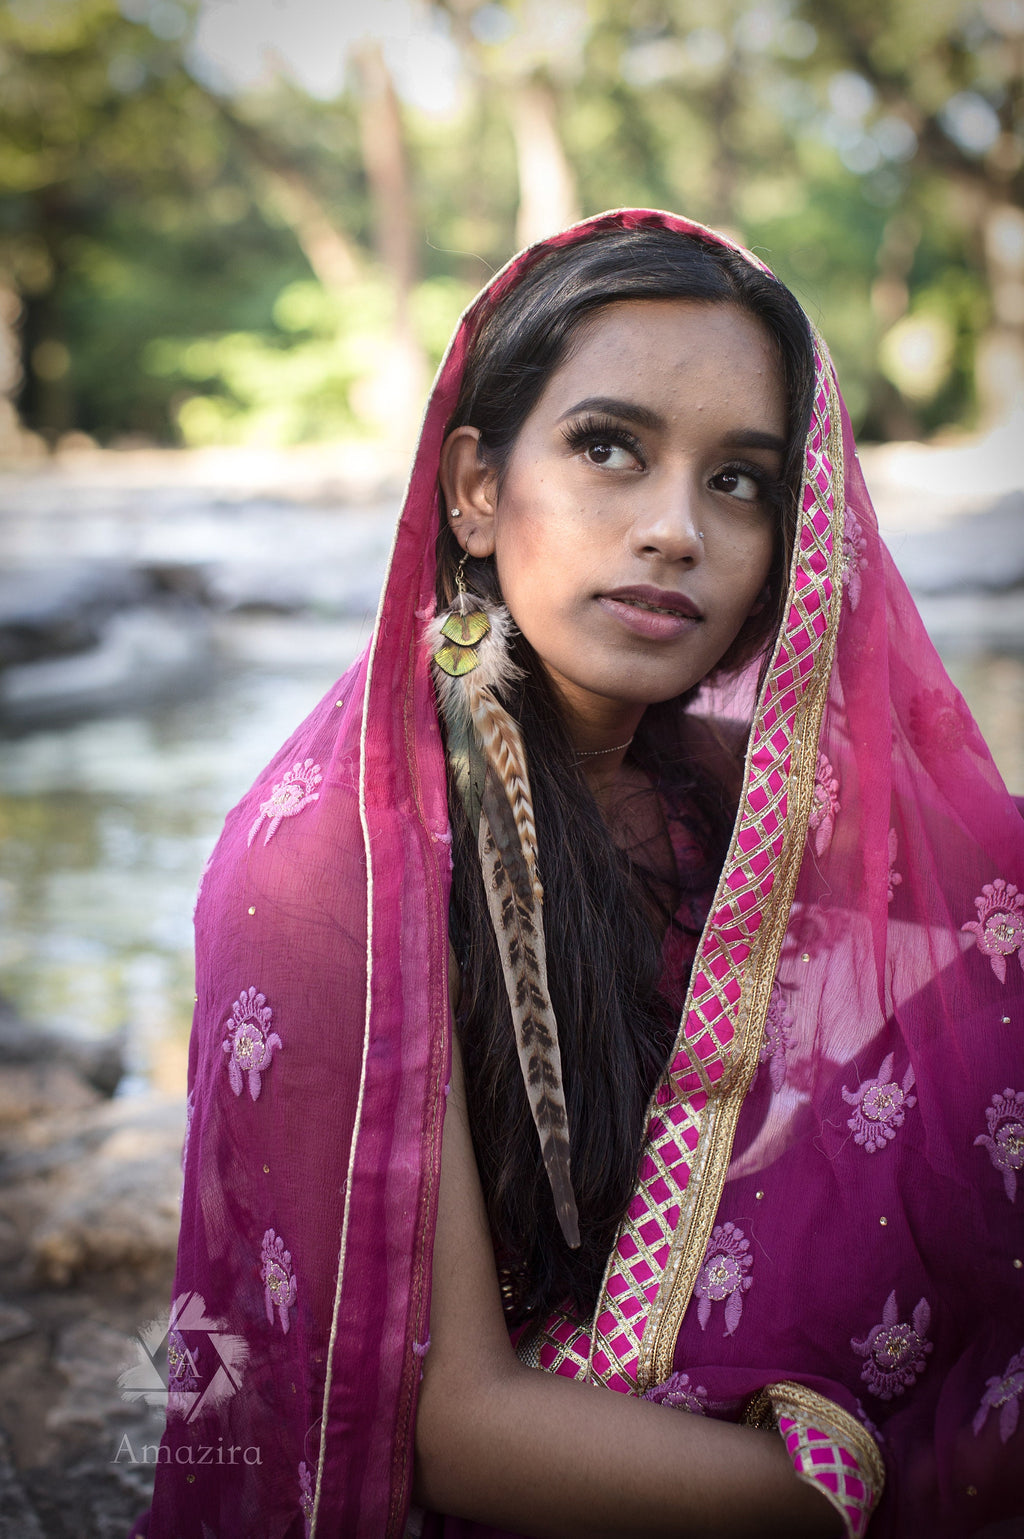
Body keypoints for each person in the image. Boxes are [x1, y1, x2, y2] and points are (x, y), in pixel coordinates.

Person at [136, 210, 1024, 1539]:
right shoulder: (336, 872)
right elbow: (446, 1427)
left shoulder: (741, 798)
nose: (676, 530)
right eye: (610, 447)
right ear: (476, 488)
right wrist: (836, 1495)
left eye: (740, 482)